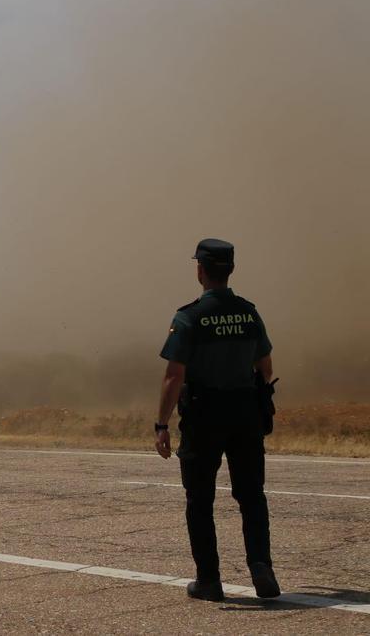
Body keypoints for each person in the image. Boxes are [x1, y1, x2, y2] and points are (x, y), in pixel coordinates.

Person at [154, 238, 280, 602]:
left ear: (201, 270)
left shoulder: (189, 316)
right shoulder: (248, 312)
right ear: (231, 270)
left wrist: (161, 424)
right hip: (245, 415)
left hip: (204, 416)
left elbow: (173, 376)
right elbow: (266, 367)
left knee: (200, 499)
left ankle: (209, 580)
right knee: (252, 495)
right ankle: (261, 566)